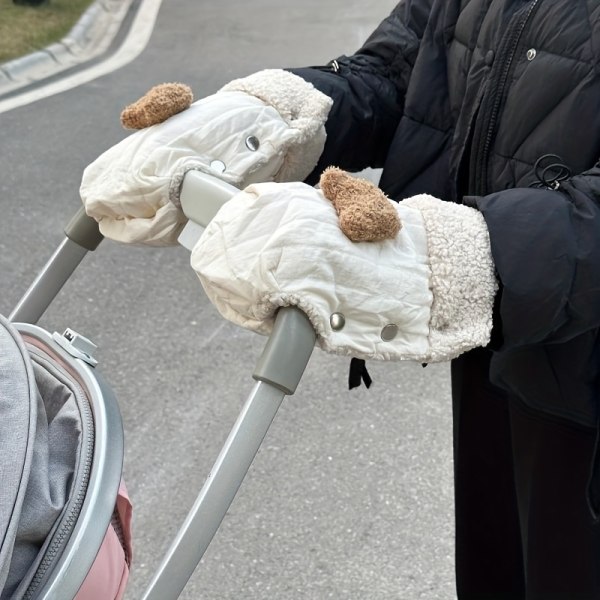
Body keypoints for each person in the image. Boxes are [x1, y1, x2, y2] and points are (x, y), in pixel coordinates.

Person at [81, 1, 600, 597]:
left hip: (580, 364)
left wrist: (455, 253)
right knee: (496, 572)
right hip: (503, 338)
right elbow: (399, 72)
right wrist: (267, 118)